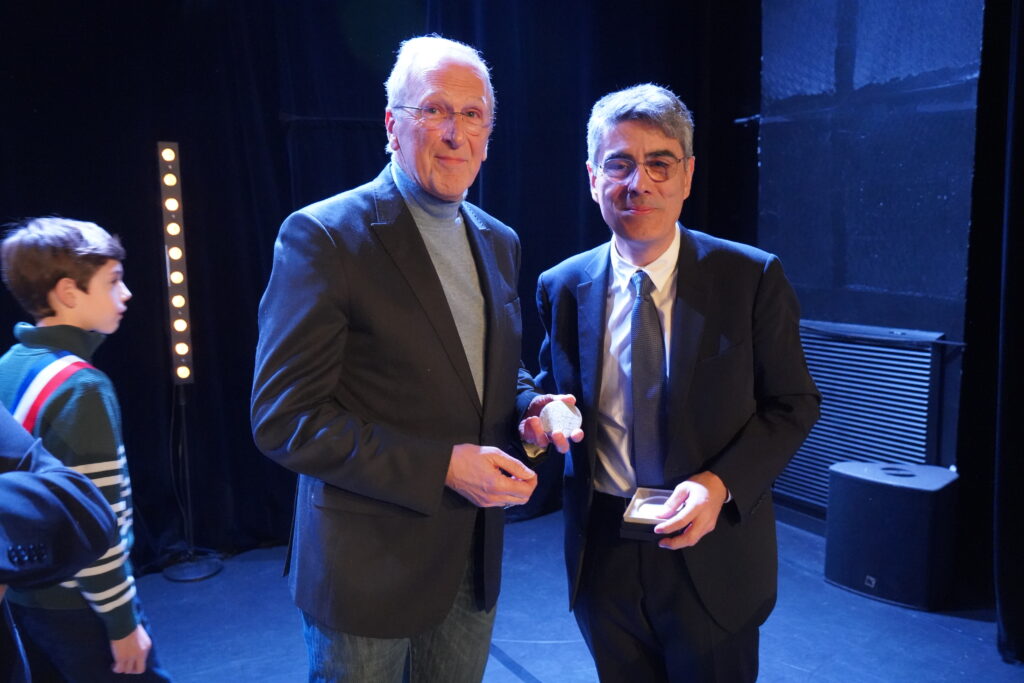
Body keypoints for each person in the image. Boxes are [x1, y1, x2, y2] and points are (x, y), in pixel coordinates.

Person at [251, 35, 574, 682]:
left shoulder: (499, 241)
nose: (455, 133)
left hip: (470, 562)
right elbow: (285, 419)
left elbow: (486, 368)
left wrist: (531, 408)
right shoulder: (324, 236)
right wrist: (442, 466)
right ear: (391, 124)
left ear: (488, 136)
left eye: (472, 114)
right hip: (366, 571)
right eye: (434, 110)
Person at [530, 84, 821, 682]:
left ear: (687, 176)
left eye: (659, 163)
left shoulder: (750, 277)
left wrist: (719, 484)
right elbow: (547, 389)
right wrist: (538, 415)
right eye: (619, 164)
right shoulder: (561, 285)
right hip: (602, 552)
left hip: (711, 548)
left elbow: (793, 404)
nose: (639, 183)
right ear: (593, 178)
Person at [0, 217, 172, 680]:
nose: (127, 293)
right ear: (68, 293)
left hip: (24, 594)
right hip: (79, 604)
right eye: (113, 281)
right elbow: (97, 525)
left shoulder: (8, 366)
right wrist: (122, 624)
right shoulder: (83, 388)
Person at [1, 401, 119, 683]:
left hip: (46, 602)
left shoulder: (82, 388)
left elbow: (83, 508)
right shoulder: (84, 389)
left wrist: (122, 621)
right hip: (53, 607)